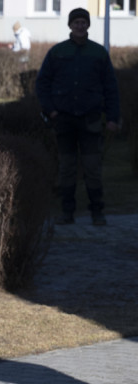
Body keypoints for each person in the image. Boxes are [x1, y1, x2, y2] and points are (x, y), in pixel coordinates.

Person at [36, 7, 121, 227]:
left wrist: (113, 117)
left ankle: (97, 212)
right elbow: (42, 83)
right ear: (70, 25)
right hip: (63, 119)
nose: (80, 26)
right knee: (67, 168)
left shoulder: (99, 53)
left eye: (84, 22)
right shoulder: (57, 52)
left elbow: (111, 87)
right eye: (76, 22)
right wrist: (51, 110)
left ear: (88, 25)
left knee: (92, 168)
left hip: (91, 119)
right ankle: (67, 213)